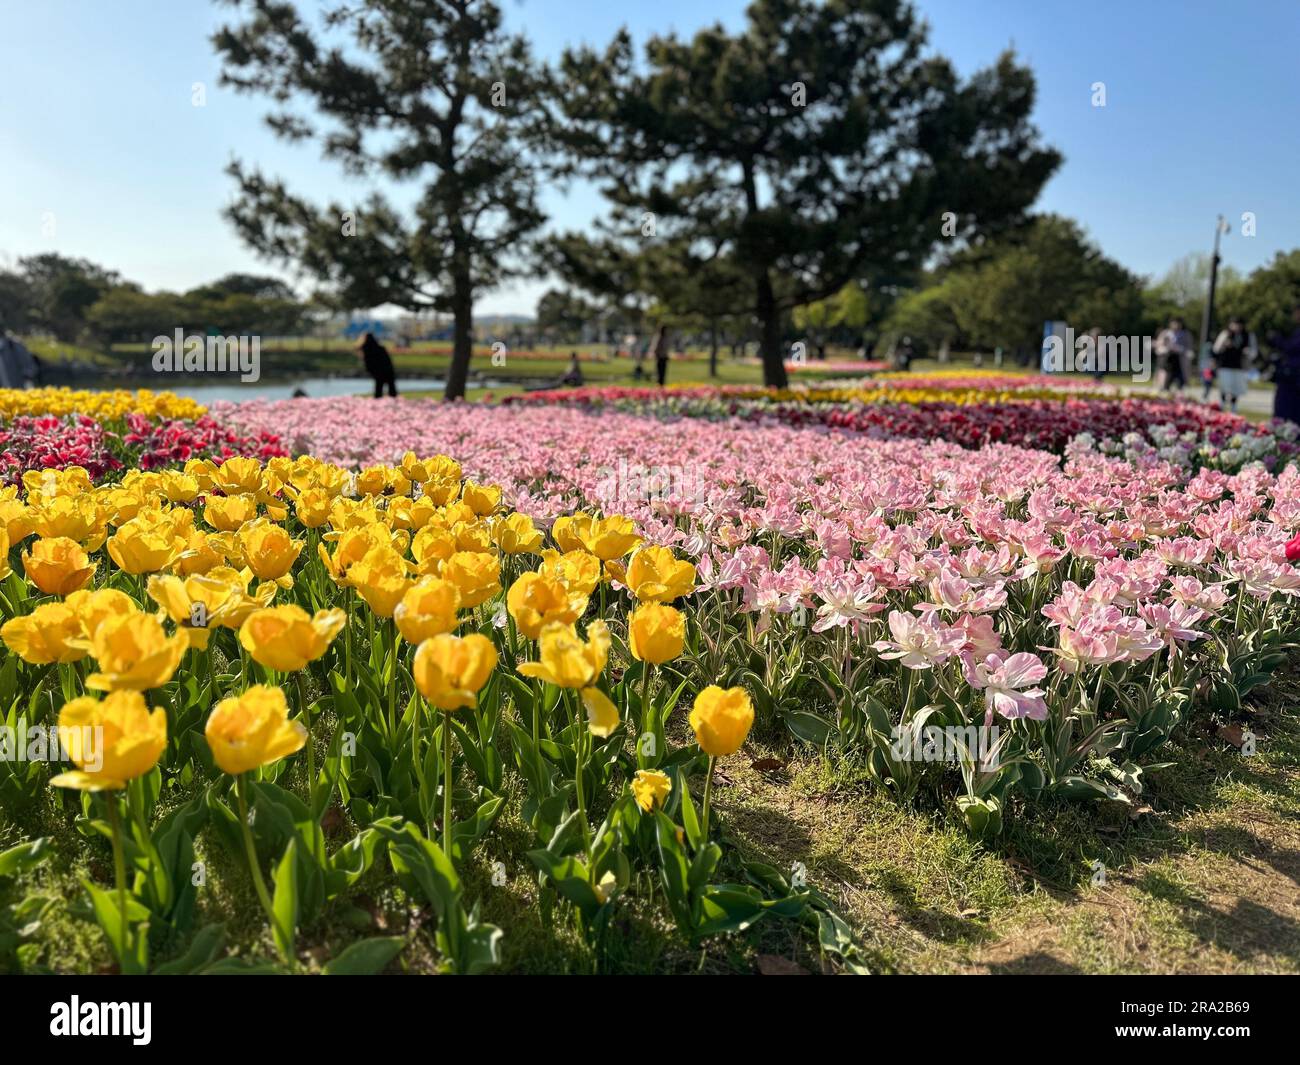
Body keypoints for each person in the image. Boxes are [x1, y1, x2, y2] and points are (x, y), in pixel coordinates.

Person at [1211, 316, 1256, 412]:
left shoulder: (1248, 335)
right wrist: (1224, 344)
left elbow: (1254, 352)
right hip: (1225, 364)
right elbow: (1216, 349)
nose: (1236, 327)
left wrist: (1247, 352)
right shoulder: (1225, 334)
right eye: (1234, 325)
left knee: (1236, 387)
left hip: (1240, 365)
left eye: (1238, 325)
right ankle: (1222, 404)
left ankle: (1233, 406)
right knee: (1224, 385)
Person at [1269, 305, 1300, 425]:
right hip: (1291, 378)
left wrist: (1277, 340)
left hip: (1293, 378)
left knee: (1287, 411)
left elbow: (1291, 348)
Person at [1154, 317, 1193, 392]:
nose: (1176, 326)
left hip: (1179, 360)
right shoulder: (1165, 333)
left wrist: (1179, 349)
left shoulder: (1185, 334)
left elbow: (1189, 348)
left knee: (1180, 381)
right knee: (1165, 379)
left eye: (1177, 324)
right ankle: (1164, 389)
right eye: (1174, 323)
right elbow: (1158, 346)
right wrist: (1164, 347)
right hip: (1166, 359)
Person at [358, 332, 397, 398]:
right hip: (387, 370)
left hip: (377, 371)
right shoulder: (381, 348)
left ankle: (378, 402)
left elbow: (366, 361)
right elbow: (388, 361)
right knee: (391, 389)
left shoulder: (366, 348)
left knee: (378, 388)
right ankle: (393, 401)